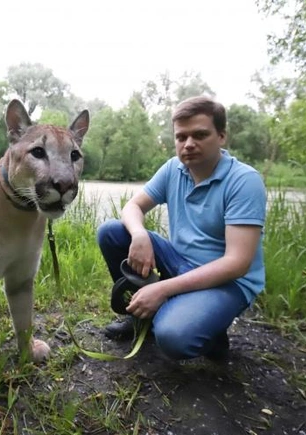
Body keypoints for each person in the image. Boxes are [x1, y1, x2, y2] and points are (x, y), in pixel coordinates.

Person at [96, 95, 266, 361]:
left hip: (227, 281)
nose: (188, 144)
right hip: (179, 260)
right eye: (181, 137)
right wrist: (140, 234)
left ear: (221, 136)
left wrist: (162, 289)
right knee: (111, 232)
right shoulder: (174, 169)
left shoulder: (244, 181)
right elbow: (132, 207)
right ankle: (143, 318)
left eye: (200, 135)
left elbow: (237, 263)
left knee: (174, 337)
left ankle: (208, 333)